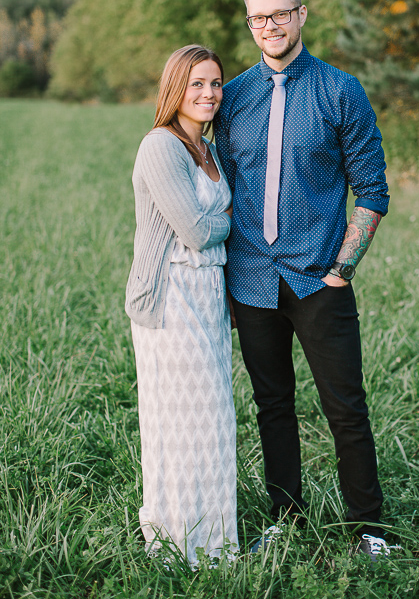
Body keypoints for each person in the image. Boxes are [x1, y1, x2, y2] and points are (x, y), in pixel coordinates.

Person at [214, 0, 391, 561]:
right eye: (258, 18)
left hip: (319, 278)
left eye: (280, 15)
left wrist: (343, 267)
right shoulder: (233, 96)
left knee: (346, 407)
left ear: (301, 15)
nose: (270, 27)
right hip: (252, 280)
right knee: (273, 406)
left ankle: (370, 528)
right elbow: (224, 187)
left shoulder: (341, 90)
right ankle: (285, 520)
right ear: (250, 25)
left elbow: (371, 187)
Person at [125, 44, 239, 567]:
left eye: (215, 84)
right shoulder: (161, 146)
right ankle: (179, 544)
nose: (209, 94)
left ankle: (215, 542)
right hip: (168, 299)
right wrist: (228, 226)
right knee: (181, 421)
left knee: (212, 418)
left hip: (207, 296)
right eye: (197, 84)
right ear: (176, 88)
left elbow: (200, 228)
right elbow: (196, 230)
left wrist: (212, 232)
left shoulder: (207, 150)